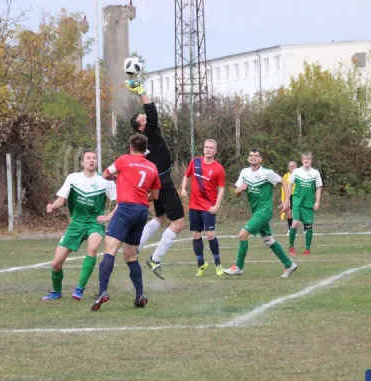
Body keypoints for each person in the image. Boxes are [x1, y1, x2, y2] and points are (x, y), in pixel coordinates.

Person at [92, 133, 161, 311]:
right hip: (141, 212)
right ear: (145, 149)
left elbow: (106, 174)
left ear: (130, 147)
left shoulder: (124, 160)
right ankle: (139, 295)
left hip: (124, 210)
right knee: (131, 255)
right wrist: (139, 196)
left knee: (110, 250)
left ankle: (102, 291)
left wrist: (118, 178)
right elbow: (155, 195)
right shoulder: (152, 167)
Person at [126, 79, 186, 280]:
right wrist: (140, 90)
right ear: (141, 128)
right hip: (164, 181)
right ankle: (155, 258)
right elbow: (152, 110)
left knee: (159, 218)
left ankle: (135, 248)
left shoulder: (146, 138)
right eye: (143, 118)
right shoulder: (149, 132)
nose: (145, 116)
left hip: (156, 181)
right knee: (178, 223)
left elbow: (150, 113)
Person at [42, 149, 117, 301]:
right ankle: (56, 292)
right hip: (76, 224)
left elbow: (120, 201)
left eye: (94, 158)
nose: (91, 160)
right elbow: (61, 200)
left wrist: (109, 216)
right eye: (88, 158)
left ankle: (79, 288)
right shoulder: (73, 178)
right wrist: (53, 206)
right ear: (82, 162)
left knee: (93, 247)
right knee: (56, 264)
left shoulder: (105, 181)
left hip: (95, 223)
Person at [224, 149, 297, 278]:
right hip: (256, 212)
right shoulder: (244, 173)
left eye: (256, 156)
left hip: (265, 211)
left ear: (260, 159)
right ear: (248, 159)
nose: (253, 158)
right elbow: (236, 193)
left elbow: (284, 181)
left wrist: (287, 202)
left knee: (242, 234)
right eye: (251, 156)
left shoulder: (266, 173)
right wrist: (240, 189)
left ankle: (238, 267)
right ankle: (289, 264)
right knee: (268, 240)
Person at [180, 139, 226, 277]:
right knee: (195, 235)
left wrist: (217, 205)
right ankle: (201, 264)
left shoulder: (218, 168)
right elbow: (186, 176)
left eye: (211, 148)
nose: (208, 150)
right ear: (203, 149)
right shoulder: (195, 162)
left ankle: (218, 263)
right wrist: (183, 189)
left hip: (209, 206)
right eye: (206, 147)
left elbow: (221, 189)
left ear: (215, 151)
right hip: (194, 206)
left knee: (210, 235)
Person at [288, 152, 323, 256]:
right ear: (302, 160)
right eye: (304, 159)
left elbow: (318, 188)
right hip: (297, 202)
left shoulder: (315, 173)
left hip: (309, 204)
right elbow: (289, 184)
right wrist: (289, 199)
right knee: (294, 223)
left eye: (308, 159)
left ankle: (307, 249)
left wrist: (317, 201)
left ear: (311, 160)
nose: (306, 161)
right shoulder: (296, 171)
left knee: (308, 226)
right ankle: (291, 246)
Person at [281, 161, 297, 234]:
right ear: (288, 167)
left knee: (298, 212)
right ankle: (290, 228)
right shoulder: (286, 176)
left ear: (296, 167)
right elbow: (283, 188)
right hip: (289, 196)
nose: (292, 167)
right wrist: (283, 199)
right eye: (290, 166)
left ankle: (306, 227)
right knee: (289, 212)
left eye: (293, 166)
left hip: (297, 196)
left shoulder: (299, 175)